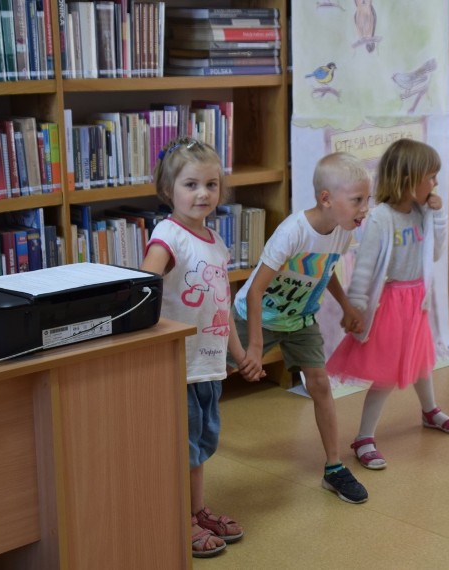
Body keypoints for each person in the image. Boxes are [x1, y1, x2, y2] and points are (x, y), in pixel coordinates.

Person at [141, 136, 264, 558]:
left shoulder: (214, 240)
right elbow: (146, 287)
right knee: (184, 447)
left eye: (211, 185)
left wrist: (239, 352)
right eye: (191, 184)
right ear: (168, 190)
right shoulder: (167, 236)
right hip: (180, 366)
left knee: (200, 445)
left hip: (209, 364)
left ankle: (195, 509)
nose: (203, 194)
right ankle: (182, 518)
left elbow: (222, 307)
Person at [229, 152, 371, 504]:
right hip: (254, 316)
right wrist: (255, 347)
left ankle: (334, 467)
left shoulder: (341, 232)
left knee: (320, 384)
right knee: (211, 374)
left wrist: (347, 306)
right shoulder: (293, 232)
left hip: (299, 321)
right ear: (326, 199)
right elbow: (258, 289)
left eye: (366, 200)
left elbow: (325, 271)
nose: (364, 208)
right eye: (357, 200)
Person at [326, 139, 449, 471]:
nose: (434, 184)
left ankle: (429, 410)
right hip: (390, 304)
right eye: (430, 177)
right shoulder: (381, 218)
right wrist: (355, 307)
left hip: (417, 300)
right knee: (387, 374)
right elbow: (365, 268)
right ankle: (363, 437)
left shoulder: (421, 213)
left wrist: (438, 214)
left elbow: (433, 252)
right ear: (408, 178)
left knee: (420, 360)